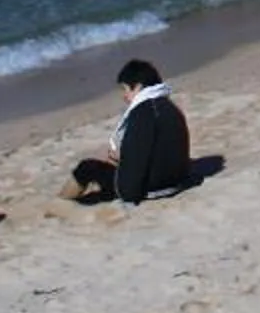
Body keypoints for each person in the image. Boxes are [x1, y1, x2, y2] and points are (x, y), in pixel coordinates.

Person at [64, 59, 192, 205]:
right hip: (176, 181)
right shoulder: (169, 107)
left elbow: (131, 179)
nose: (124, 96)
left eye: (125, 89)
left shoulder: (143, 113)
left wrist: (123, 176)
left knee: (87, 168)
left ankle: (59, 203)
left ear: (137, 87)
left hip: (154, 187)